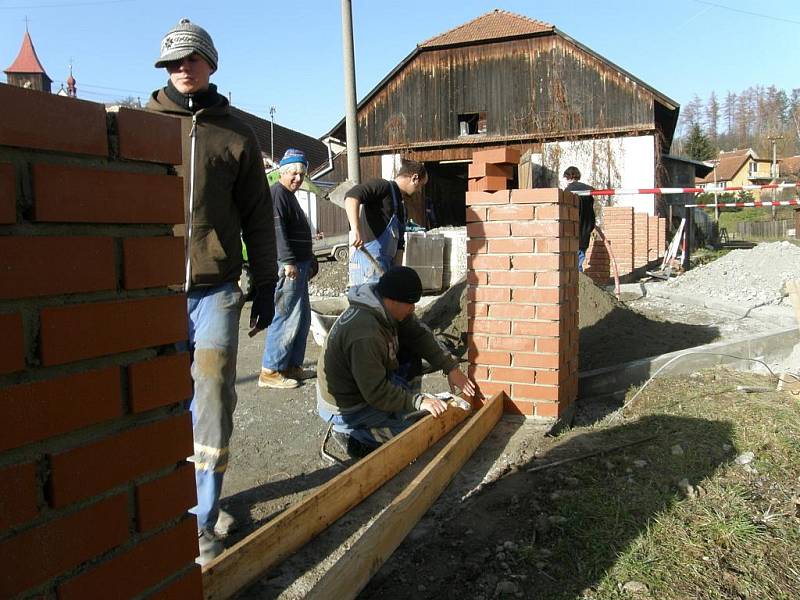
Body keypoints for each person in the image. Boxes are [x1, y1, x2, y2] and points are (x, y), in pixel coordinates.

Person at [148, 18, 278, 565]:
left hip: (217, 288)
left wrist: (265, 282)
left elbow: (256, 216)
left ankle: (203, 517)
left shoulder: (236, 133)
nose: (182, 69)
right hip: (151, 291)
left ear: (211, 63)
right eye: (173, 62)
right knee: (158, 400)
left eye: (191, 59)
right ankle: (163, 507)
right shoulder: (140, 123)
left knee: (213, 397)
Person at [316, 266, 476, 456]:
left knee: (411, 349)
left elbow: (419, 334)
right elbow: (376, 392)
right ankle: (351, 433)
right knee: (413, 436)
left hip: (365, 386)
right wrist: (418, 401)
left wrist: (451, 367)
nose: (413, 308)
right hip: (348, 406)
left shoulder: (384, 306)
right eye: (410, 303)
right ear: (392, 301)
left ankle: (399, 410)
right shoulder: (365, 334)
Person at [258, 149, 316, 389]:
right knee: (286, 317)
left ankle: (292, 365)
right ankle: (271, 370)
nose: (298, 178)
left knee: (302, 318)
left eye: (301, 174)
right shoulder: (277, 195)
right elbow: (277, 231)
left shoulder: (289, 196)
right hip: (289, 267)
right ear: (283, 172)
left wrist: (309, 258)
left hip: (299, 266)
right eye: (293, 173)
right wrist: (289, 261)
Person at [344, 159, 428, 286]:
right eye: (420, 185)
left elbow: (399, 245)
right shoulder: (382, 187)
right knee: (368, 305)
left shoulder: (401, 207)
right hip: (367, 266)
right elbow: (351, 197)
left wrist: (395, 276)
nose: (419, 190)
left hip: (386, 269)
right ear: (414, 178)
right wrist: (355, 229)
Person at [563, 166, 596, 272]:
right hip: (585, 229)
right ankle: (579, 282)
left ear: (568, 177)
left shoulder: (568, 191)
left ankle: (577, 285)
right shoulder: (588, 191)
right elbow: (591, 211)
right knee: (579, 258)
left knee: (573, 265)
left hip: (573, 231)